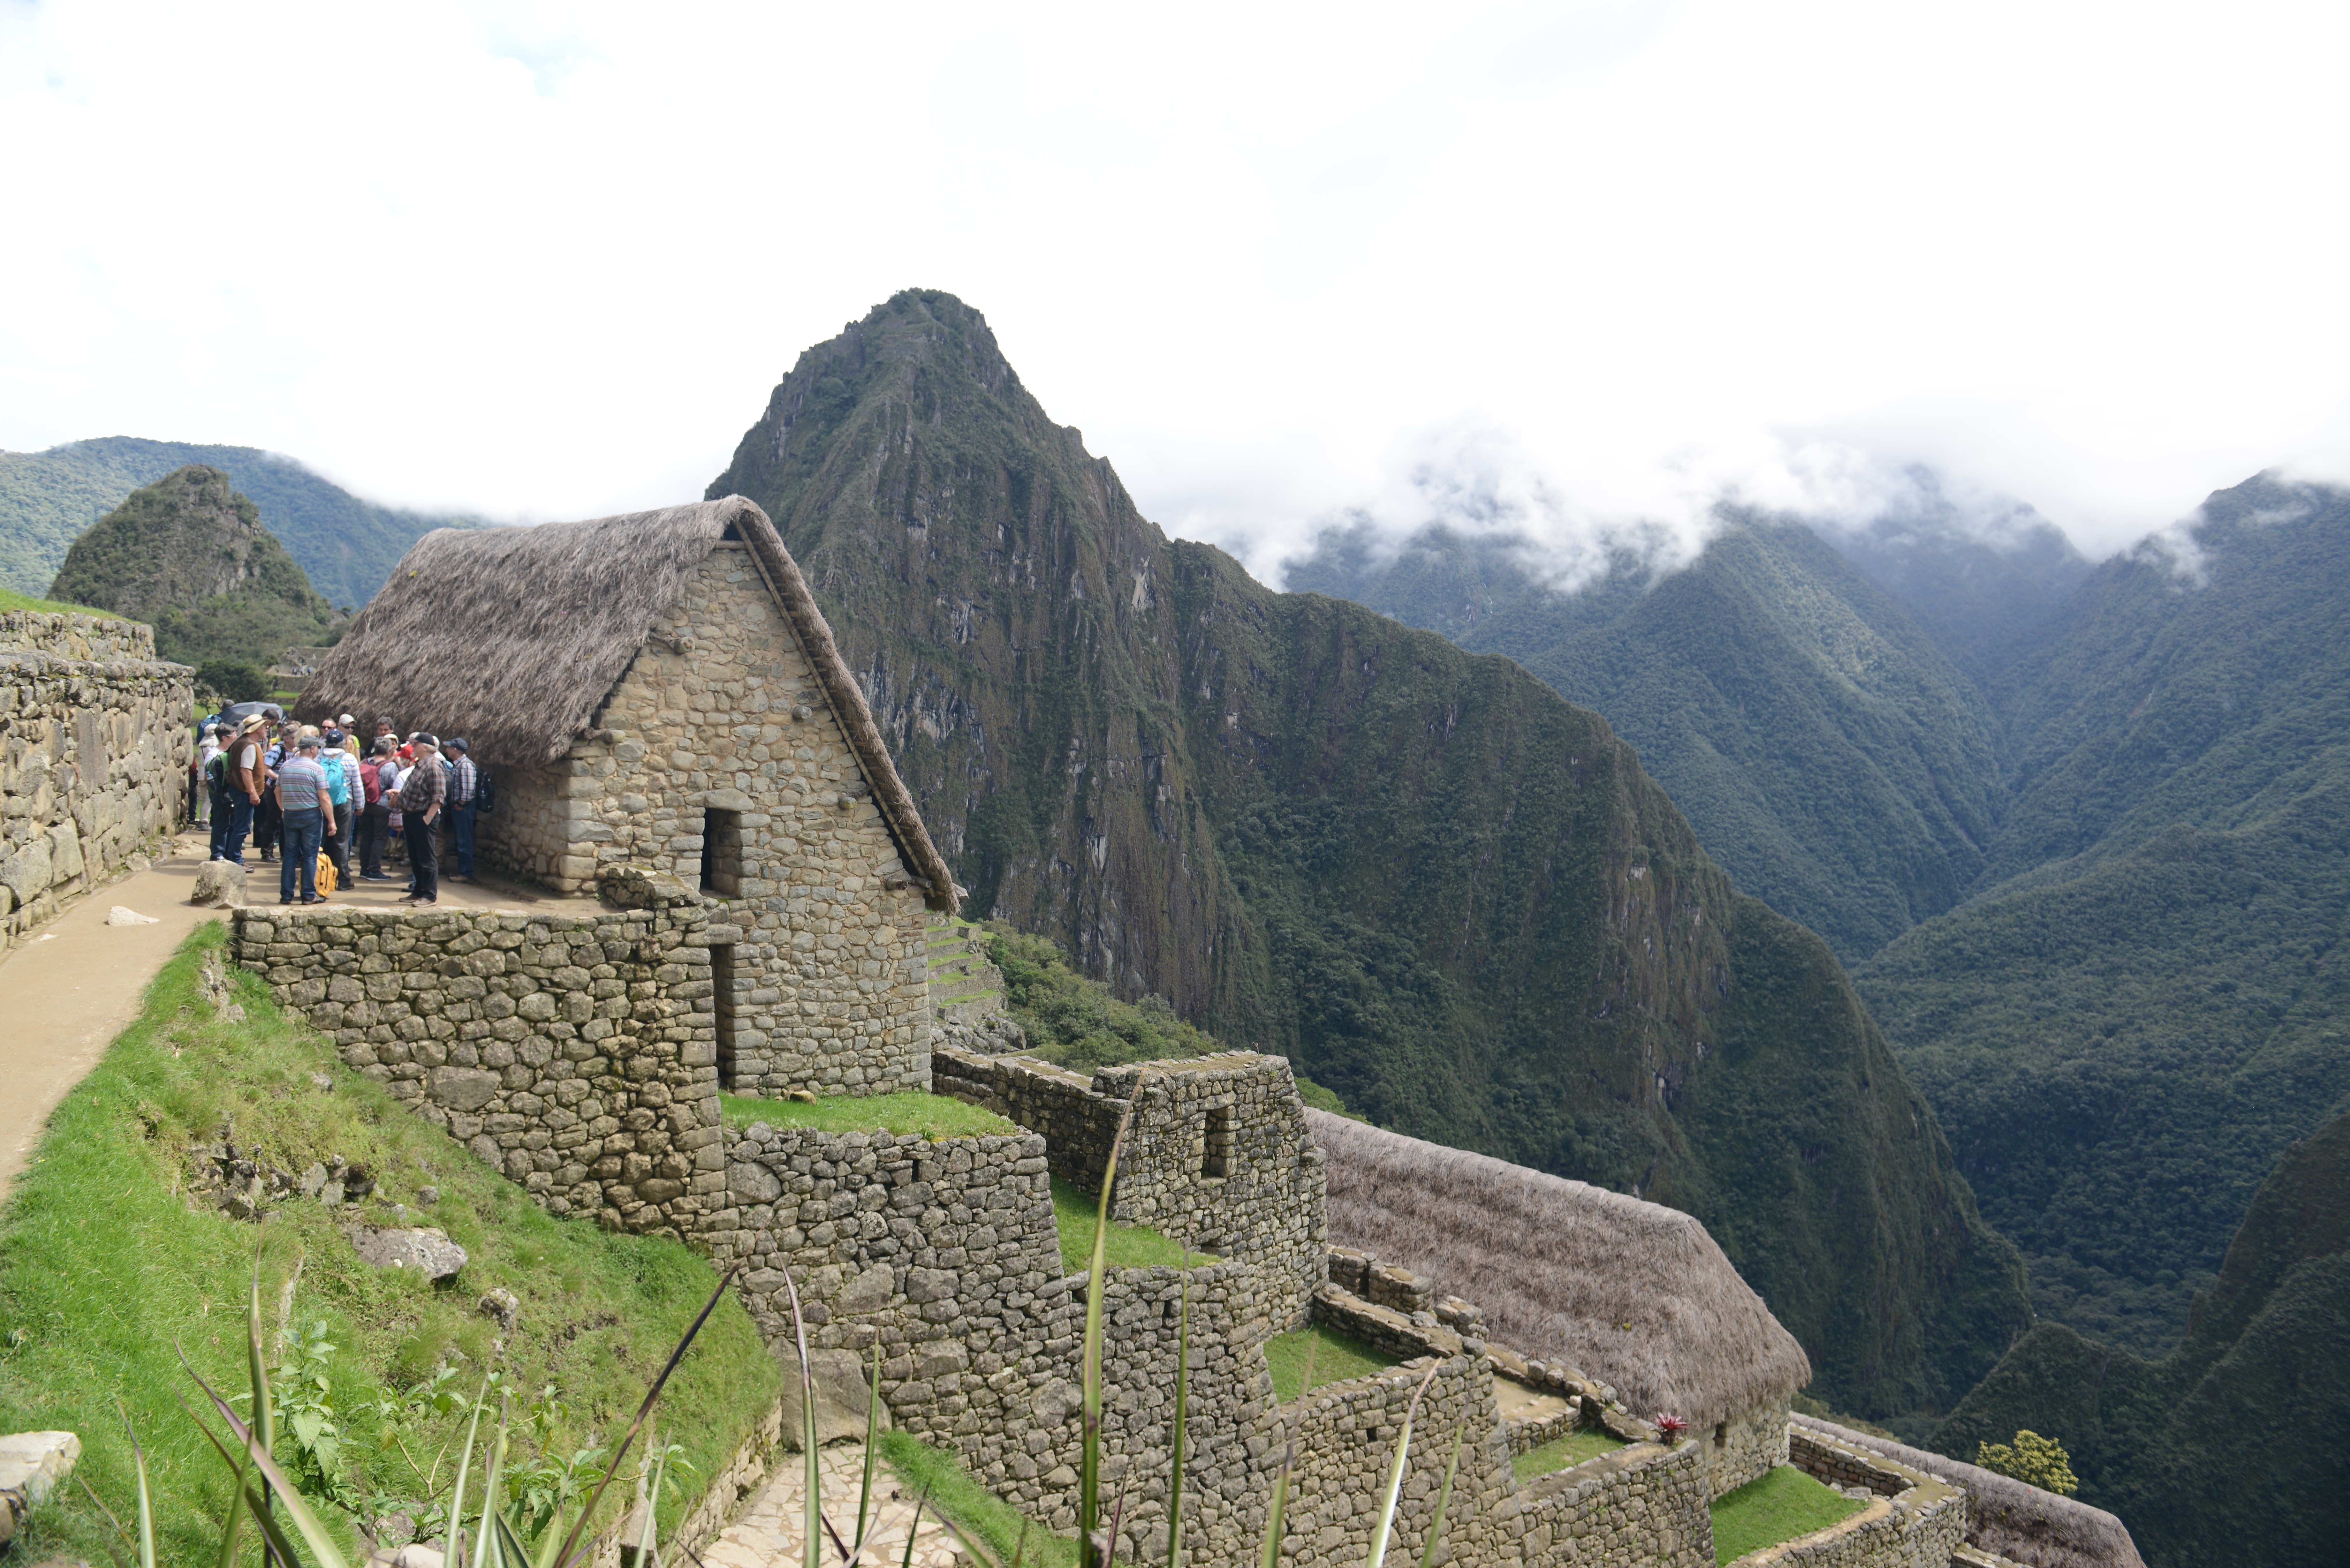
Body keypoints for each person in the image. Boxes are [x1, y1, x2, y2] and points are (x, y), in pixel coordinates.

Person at [273, 734, 335, 905]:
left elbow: (277, 792)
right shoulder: (316, 769)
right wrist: (332, 821)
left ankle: (286, 895)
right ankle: (308, 894)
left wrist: (283, 809)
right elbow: (324, 798)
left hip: (291, 814)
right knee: (310, 855)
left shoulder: (286, 766)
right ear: (313, 749)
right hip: (310, 815)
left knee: (290, 856)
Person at [398, 733, 446, 905]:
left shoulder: (434, 766)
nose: (412, 747)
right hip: (412, 816)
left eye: (415, 744)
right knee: (416, 856)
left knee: (426, 858)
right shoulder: (422, 764)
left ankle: (429, 895)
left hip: (422, 817)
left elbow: (439, 797)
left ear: (425, 747)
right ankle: (418, 891)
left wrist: (427, 818)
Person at [221, 714, 269, 864]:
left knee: (238, 825)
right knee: (243, 827)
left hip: (239, 790)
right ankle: (236, 858)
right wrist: (253, 793)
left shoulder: (242, 742)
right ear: (258, 729)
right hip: (243, 792)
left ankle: (232, 856)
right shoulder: (248, 745)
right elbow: (246, 771)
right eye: (264, 727)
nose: (266, 730)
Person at [357, 735, 398, 880]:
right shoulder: (390, 766)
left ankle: (364, 869)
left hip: (365, 804)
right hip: (382, 805)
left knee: (367, 836)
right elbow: (394, 786)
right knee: (379, 838)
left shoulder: (364, 762)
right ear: (388, 751)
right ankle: (374, 870)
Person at [321, 728, 358, 881]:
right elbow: (357, 785)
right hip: (344, 802)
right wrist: (361, 805)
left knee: (322, 841)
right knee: (342, 842)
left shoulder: (318, 757)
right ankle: (344, 879)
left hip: (323, 802)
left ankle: (324, 875)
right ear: (343, 743)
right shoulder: (350, 759)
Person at [443, 738, 478, 883]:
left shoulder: (465, 766)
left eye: (449, 748)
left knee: (464, 841)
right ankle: (463, 870)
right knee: (461, 840)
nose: (447, 751)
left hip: (464, 808)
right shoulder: (459, 765)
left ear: (455, 750)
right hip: (459, 807)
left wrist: (461, 804)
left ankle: (466, 873)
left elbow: (469, 790)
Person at [193, 721, 220, 829]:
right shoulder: (211, 746)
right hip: (208, 774)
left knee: (205, 799)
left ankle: (202, 820)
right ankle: (204, 822)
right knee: (208, 800)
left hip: (202, 774)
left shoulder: (202, 745)